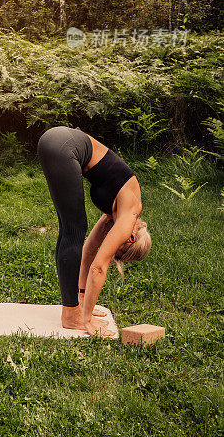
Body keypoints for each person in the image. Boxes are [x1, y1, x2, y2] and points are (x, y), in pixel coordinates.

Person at [36, 125, 151, 336]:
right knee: (73, 231)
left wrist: (83, 299)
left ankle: (74, 308)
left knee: (72, 231)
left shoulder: (117, 212)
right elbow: (99, 267)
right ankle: (72, 317)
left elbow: (89, 250)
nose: (112, 241)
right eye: (118, 248)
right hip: (65, 146)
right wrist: (87, 319)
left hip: (57, 141)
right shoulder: (129, 214)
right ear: (131, 237)